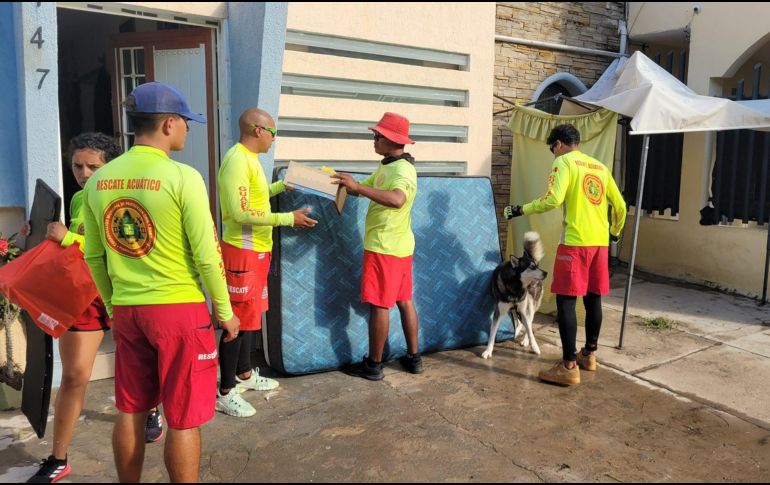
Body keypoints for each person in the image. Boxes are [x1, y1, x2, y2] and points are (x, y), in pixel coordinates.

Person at [81, 82, 239, 483]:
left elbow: (95, 256)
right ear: (169, 124)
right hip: (179, 312)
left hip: (130, 312)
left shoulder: (100, 180)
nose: (188, 129)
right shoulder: (182, 177)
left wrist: (115, 309)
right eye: (186, 122)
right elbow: (207, 254)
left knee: (131, 410)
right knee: (183, 419)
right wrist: (226, 312)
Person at [25, 133, 163, 484]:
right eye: (77, 166)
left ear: (111, 166)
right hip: (84, 294)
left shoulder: (125, 193)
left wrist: (68, 237)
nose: (84, 174)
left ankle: (151, 410)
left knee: (139, 365)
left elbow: (122, 243)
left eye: (92, 166)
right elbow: (78, 249)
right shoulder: (76, 201)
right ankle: (59, 458)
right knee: (73, 377)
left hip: (125, 291)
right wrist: (42, 235)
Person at [504, 124, 626, 386]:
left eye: (552, 150)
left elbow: (552, 199)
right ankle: (589, 354)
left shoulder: (564, 163)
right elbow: (621, 206)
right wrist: (614, 233)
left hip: (575, 243)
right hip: (600, 245)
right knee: (594, 298)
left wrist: (519, 209)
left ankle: (569, 365)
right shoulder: (600, 167)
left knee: (566, 301)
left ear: (558, 144)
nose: (553, 155)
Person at [215, 108, 317, 417]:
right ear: (258, 130)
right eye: (273, 132)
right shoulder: (236, 161)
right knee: (235, 323)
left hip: (258, 250)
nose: (274, 138)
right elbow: (239, 213)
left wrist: (280, 187)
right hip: (242, 252)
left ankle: (244, 373)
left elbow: (255, 199)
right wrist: (288, 218)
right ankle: (225, 391)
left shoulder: (251, 161)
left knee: (251, 317)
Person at [333, 112, 422, 381]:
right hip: (398, 246)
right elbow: (361, 188)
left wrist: (358, 186)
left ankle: (373, 365)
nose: (373, 139)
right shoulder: (387, 166)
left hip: (385, 247)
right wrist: (340, 181)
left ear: (392, 139)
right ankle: (413, 358)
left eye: (377, 136)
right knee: (404, 301)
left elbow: (397, 199)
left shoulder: (403, 170)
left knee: (380, 305)